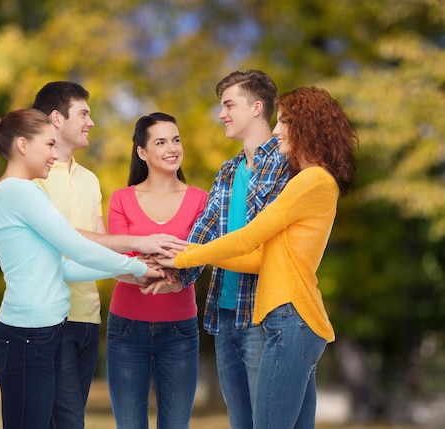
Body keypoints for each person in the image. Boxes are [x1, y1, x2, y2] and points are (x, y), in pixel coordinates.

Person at [152, 86, 359, 429]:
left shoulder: (312, 181)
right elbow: (255, 257)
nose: (277, 130)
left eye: (286, 122)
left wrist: (183, 260)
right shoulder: (308, 180)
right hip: (288, 320)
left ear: (308, 127)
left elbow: (249, 236)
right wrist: (187, 253)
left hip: (291, 318)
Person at [0, 108, 164, 429]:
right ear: (22, 145)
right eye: (48, 145)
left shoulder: (23, 192)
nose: (53, 154)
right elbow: (75, 247)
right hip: (26, 337)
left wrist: (133, 273)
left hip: (40, 334)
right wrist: (136, 262)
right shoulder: (17, 192)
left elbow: (62, 266)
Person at [31, 82, 188, 429]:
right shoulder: (33, 176)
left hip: (88, 319)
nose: (91, 122)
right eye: (84, 113)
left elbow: (102, 247)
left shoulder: (89, 179)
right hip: (48, 318)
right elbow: (59, 240)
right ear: (57, 119)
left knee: (70, 418)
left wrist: (142, 274)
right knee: (67, 421)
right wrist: (142, 247)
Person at [177, 70, 289, 429]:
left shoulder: (285, 166)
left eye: (228, 104)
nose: (221, 114)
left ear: (257, 107)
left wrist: (192, 258)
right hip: (224, 316)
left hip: (263, 315)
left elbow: (261, 242)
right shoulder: (227, 170)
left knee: (267, 422)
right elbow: (205, 230)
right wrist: (174, 273)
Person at [106, 112, 207, 429]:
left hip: (180, 331)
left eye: (176, 140)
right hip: (126, 329)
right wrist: (161, 263)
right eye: (160, 142)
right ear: (142, 152)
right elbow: (114, 258)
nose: (172, 148)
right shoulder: (121, 198)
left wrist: (158, 269)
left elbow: (200, 256)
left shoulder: (200, 199)